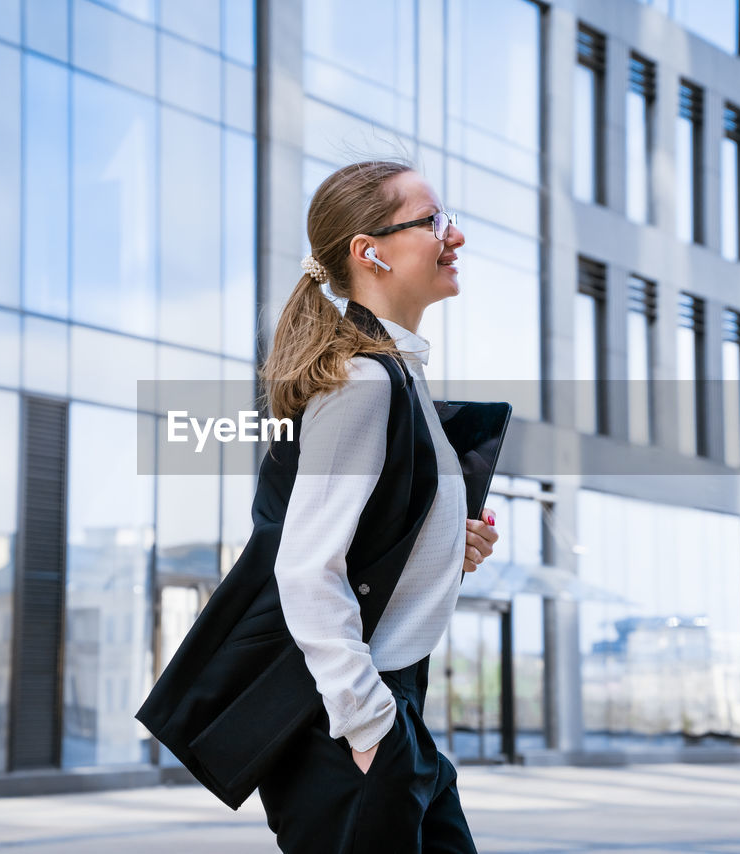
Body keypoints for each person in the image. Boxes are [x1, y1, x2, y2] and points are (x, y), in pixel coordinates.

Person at [252, 159, 500, 853]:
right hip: (357, 719)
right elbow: (306, 568)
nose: (455, 236)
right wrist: (369, 728)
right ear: (371, 252)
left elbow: (366, 550)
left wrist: (450, 549)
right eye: (434, 221)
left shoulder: (398, 373)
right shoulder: (364, 381)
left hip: (394, 709)